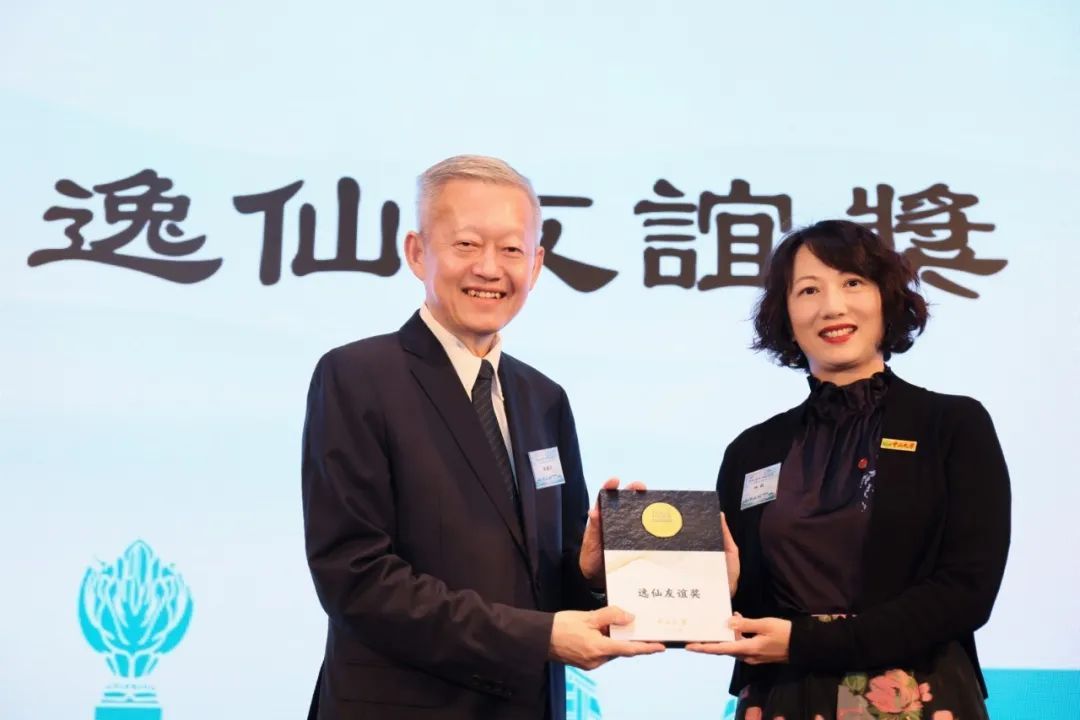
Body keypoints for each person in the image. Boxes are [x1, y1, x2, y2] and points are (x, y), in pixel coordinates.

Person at [301, 155, 662, 720]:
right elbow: (357, 579)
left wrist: (591, 572)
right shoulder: (357, 377)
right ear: (417, 252)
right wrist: (538, 637)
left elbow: (549, 584)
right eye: (467, 244)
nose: (490, 268)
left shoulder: (544, 398)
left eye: (512, 249)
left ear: (536, 265)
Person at [686, 220, 1011, 720]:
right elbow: (736, 607)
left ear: (886, 298)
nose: (832, 307)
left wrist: (808, 642)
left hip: (913, 693)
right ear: (785, 314)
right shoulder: (751, 450)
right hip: (783, 695)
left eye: (852, 282)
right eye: (808, 290)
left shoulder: (952, 425)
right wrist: (720, 590)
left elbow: (967, 591)